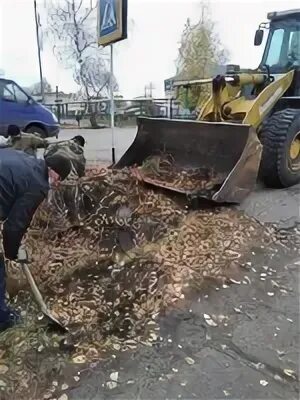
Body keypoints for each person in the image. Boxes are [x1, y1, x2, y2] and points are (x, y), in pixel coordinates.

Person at [0, 147, 84, 332]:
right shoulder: (37, 184)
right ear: (54, 174)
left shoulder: (26, 157)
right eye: (58, 179)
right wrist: (13, 252)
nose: (56, 183)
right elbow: (14, 225)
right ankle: (2, 319)